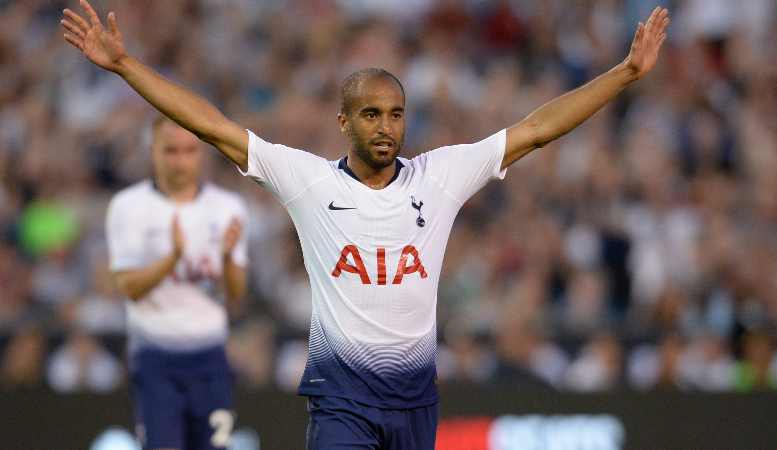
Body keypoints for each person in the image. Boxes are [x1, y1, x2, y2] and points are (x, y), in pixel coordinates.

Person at [62, 1, 668, 448]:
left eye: (396, 114)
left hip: (415, 404)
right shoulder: (309, 181)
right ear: (343, 122)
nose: (386, 126)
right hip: (341, 400)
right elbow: (214, 126)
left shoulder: (441, 175)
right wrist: (125, 67)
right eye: (371, 113)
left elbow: (537, 129)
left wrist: (625, 72)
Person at [104, 113, 249, 450]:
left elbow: (236, 294)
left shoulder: (228, 208)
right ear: (153, 150)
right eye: (171, 151)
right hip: (156, 362)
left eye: (190, 150)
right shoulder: (129, 207)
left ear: (202, 152)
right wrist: (172, 257)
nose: (181, 160)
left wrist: (227, 259)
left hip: (210, 361)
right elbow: (128, 288)